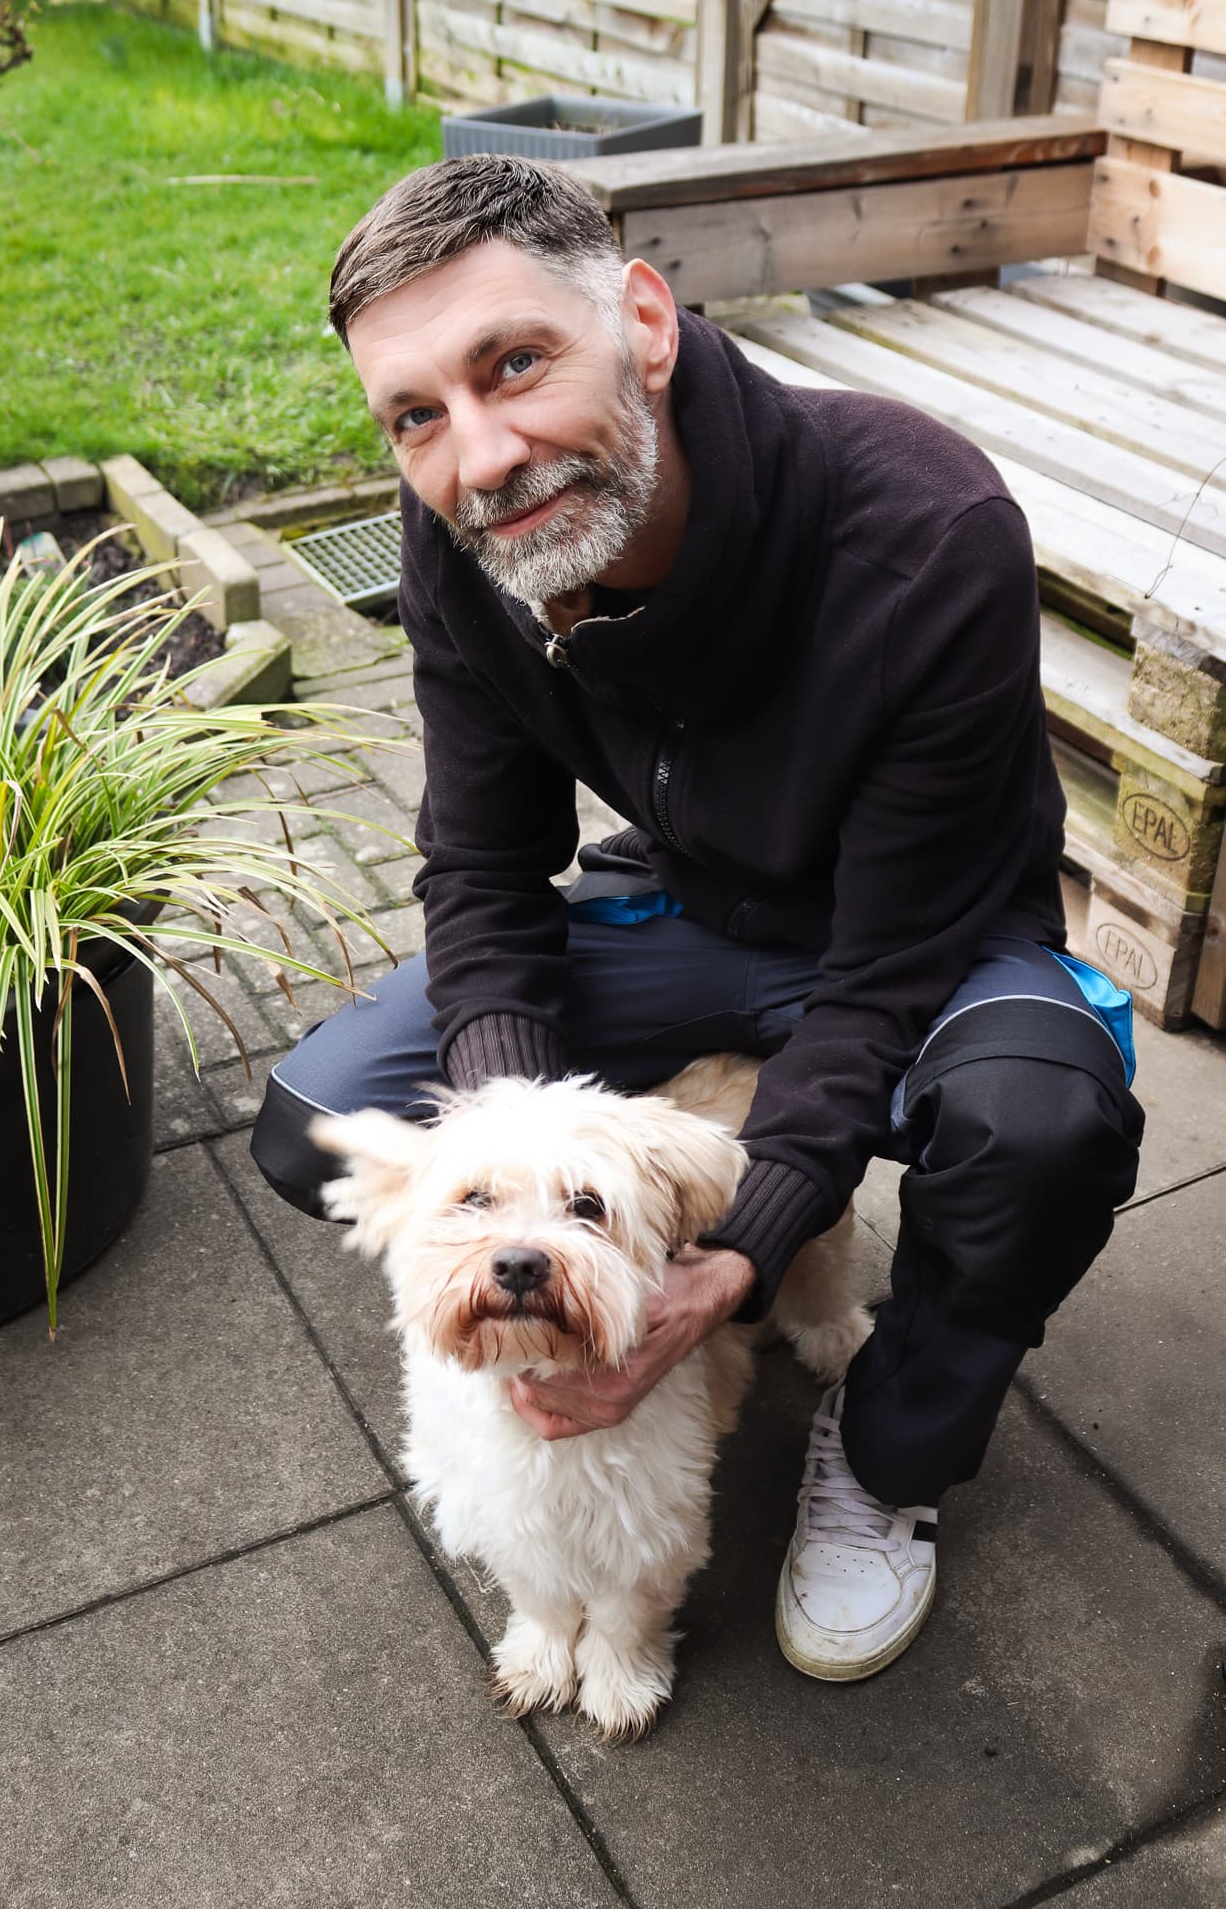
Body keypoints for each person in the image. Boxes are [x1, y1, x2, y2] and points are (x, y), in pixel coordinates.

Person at [251, 154, 1144, 1682]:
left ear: (646, 325)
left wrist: (726, 1270)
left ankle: (883, 1458)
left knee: (1042, 1132)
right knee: (316, 1119)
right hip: (677, 899)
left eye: (513, 363)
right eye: (415, 414)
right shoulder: (464, 535)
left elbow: (881, 974)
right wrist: (513, 1177)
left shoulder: (926, 526)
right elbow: (480, 871)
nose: (478, 455)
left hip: (916, 931)